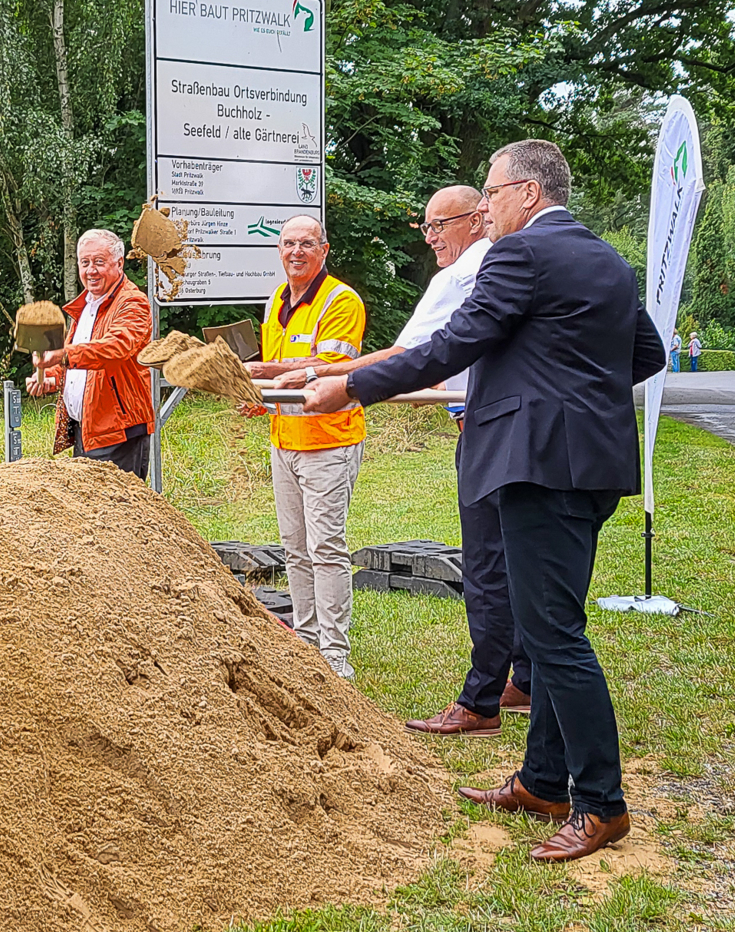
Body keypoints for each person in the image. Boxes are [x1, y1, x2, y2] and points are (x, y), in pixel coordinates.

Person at [301, 140, 666, 861]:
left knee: (555, 637)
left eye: (492, 194)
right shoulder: (609, 263)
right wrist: (573, 389)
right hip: (592, 467)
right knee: (549, 625)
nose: (486, 208)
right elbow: (646, 354)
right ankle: (542, 781)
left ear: (528, 193)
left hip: (534, 464)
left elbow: (454, 343)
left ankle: (602, 805)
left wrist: (350, 385)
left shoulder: (519, 255)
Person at [266, 186, 530, 733]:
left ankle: (481, 690)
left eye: (438, 227)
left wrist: (337, 381)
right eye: (287, 243)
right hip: (294, 434)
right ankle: (521, 679)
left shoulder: (460, 274)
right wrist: (270, 385)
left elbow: (413, 355)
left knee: (485, 565)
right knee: (512, 562)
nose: (430, 238)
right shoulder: (275, 301)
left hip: (345, 435)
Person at [245, 215, 366, 679]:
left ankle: (335, 654)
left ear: (324, 249)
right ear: (279, 250)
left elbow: (329, 366)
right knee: (294, 548)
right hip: (284, 439)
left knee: (326, 546)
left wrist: (265, 375)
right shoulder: (277, 299)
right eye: (288, 244)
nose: (296, 252)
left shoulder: (341, 300)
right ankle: (307, 639)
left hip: (328, 441)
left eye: (306, 244)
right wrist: (262, 399)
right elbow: (280, 369)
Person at [28, 229, 157, 479]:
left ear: (119, 263)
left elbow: (115, 347)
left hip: (119, 434)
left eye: (99, 262)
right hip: (86, 431)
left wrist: (61, 356)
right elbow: (78, 360)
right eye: (85, 263)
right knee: (90, 514)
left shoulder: (133, 302)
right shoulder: (86, 304)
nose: (91, 271)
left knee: (117, 514)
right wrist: (52, 377)